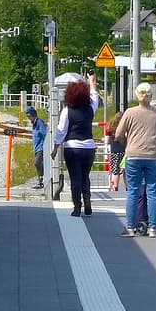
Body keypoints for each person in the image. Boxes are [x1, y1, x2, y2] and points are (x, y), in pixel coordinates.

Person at [111, 85, 156, 234]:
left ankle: (130, 227)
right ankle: (153, 228)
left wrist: (127, 143)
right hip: (154, 156)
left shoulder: (130, 113)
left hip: (133, 155)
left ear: (137, 95)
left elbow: (118, 134)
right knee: (152, 191)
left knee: (133, 191)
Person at [54, 76, 97, 215]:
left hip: (72, 148)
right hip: (89, 147)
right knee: (85, 177)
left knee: (75, 178)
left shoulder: (67, 111)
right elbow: (95, 94)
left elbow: (61, 130)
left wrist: (56, 147)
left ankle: (77, 207)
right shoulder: (91, 108)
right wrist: (91, 81)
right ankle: (88, 202)